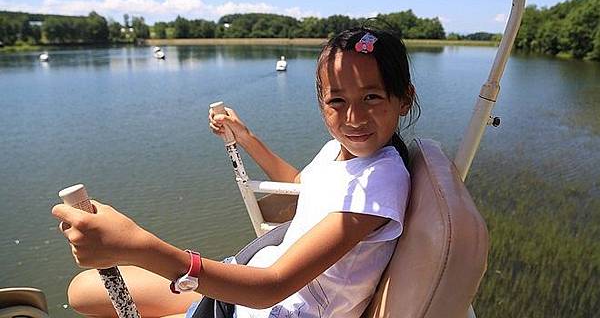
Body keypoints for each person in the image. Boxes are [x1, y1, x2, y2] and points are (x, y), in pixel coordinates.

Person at [52, 26, 419, 318]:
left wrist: (137, 246)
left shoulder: (379, 182)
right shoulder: (340, 152)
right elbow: (302, 187)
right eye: (337, 100)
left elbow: (271, 288)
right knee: (81, 290)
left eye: (371, 97)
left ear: (404, 98)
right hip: (243, 284)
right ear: (322, 105)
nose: (353, 117)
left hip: (264, 302)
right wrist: (247, 138)